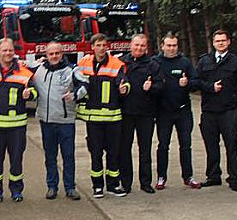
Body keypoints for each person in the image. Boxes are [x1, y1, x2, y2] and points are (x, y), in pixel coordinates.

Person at [76, 33, 130, 198]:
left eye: (103, 45)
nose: (101, 48)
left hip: (113, 118)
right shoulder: (83, 64)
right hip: (93, 119)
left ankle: (113, 185)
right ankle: (97, 186)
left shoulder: (116, 64)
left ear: (108, 47)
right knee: (96, 153)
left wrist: (124, 89)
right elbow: (73, 78)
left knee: (113, 153)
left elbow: (124, 82)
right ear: (92, 47)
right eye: (98, 45)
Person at [30, 42, 85, 200]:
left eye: (57, 53)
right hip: (46, 121)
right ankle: (52, 186)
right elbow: (16, 63)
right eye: (51, 53)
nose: (54, 56)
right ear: (46, 55)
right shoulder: (38, 69)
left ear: (62, 54)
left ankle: (70, 187)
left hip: (65, 120)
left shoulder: (72, 70)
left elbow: (85, 85)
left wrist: (74, 96)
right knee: (50, 156)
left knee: (68, 156)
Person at [0, 38, 35, 203]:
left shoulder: (25, 73)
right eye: (4, 50)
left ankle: (16, 190)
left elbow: (35, 92)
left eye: (10, 50)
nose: (8, 53)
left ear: (14, 52)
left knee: (16, 161)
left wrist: (30, 95)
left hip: (17, 126)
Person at [195, 30, 237, 192]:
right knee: (211, 146)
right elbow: (196, 81)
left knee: (231, 146)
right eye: (218, 41)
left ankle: (233, 178)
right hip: (209, 110)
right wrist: (210, 87)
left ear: (228, 42)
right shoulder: (205, 61)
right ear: (213, 43)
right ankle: (213, 176)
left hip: (229, 111)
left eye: (223, 40)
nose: (221, 43)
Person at [154, 34, 201, 190]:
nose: (172, 48)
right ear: (162, 46)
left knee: (186, 145)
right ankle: (161, 177)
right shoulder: (156, 62)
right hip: (163, 112)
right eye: (168, 45)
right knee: (163, 146)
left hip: (183, 111)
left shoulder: (185, 62)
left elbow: (196, 83)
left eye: (174, 45)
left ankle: (188, 176)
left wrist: (187, 83)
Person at [119, 34, 164, 194]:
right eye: (136, 45)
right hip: (126, 113)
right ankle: (126, 183)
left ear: (147, 48)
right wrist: (120, 90)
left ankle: (145, 182)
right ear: (130, 45)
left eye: (142, 46)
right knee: (124, 149)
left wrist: (151, 87)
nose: (139, 48)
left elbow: (161, 86)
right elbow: (113, 83)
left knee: (145, 149)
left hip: (146, 113)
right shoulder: (121, 63)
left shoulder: (153, 65)